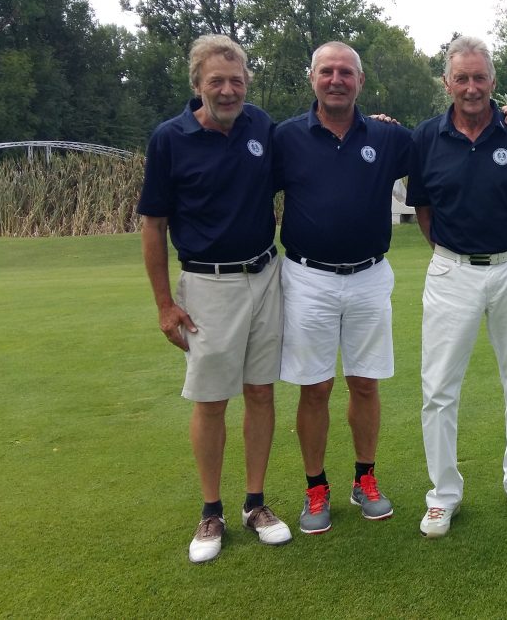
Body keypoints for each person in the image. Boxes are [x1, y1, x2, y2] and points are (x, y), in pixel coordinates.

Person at [138, 34, 291, 563]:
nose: (228, 91)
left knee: (262, 392)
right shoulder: (170, 139)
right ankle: (211, 511)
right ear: (197, 86)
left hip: (265, 275)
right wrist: (164, 304)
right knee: (211, 400)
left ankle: (255, 503)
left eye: (237, 81)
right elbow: (153, 225)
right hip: (206, 283)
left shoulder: (261, 127)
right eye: (216, 83)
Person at [406, 36, 507, 538]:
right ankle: (443, 494)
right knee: (439, 389)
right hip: (451, 271)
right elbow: (423, 208)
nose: (470, 87)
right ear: (447, 82)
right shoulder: (425, 137)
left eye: (479, 77)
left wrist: (499, 244)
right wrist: (454, 251)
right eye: (460, 78)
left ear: (492, 81)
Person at [273, 41, 412, 534]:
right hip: (308, 276)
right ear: (311, 77)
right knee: (315, 387)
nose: (336, 80)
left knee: (365, 382)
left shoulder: (387, 137)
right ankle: (316, 486)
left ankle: (365, 478)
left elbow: (451, 141)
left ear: (360, 81)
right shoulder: (285, 137)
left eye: (346, 72)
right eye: (327, 71)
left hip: (370, 275)